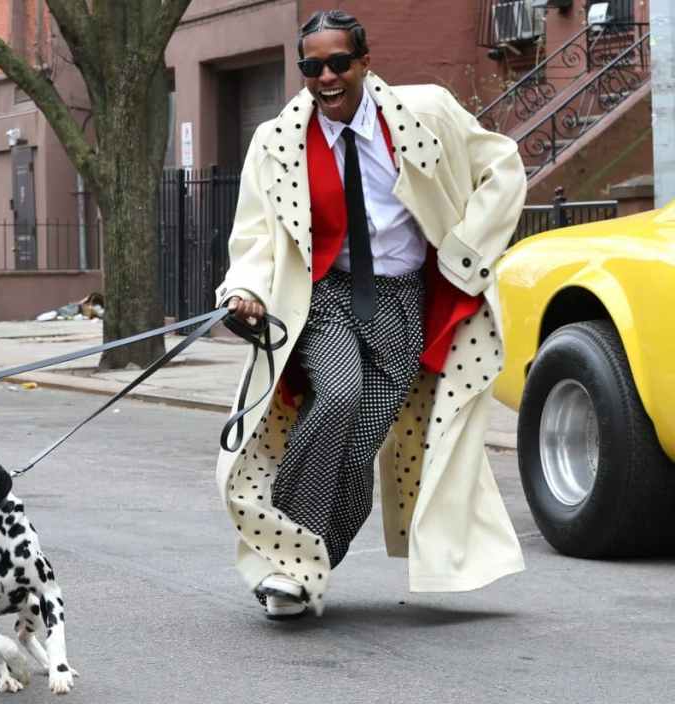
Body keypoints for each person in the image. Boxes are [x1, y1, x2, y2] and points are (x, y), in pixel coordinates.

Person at [216, 9, 528, 620]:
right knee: (335, 397)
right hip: (325, 297)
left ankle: (314, 565)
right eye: (312, 67)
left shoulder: (426, 114)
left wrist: (467, 251)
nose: (326, 77)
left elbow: (504, 166)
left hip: (401, 300)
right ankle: (287, 561)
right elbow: (255, 233)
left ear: (363, 61)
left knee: (362, 446)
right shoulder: (277, 141)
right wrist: (244, 289)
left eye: (338, 63)